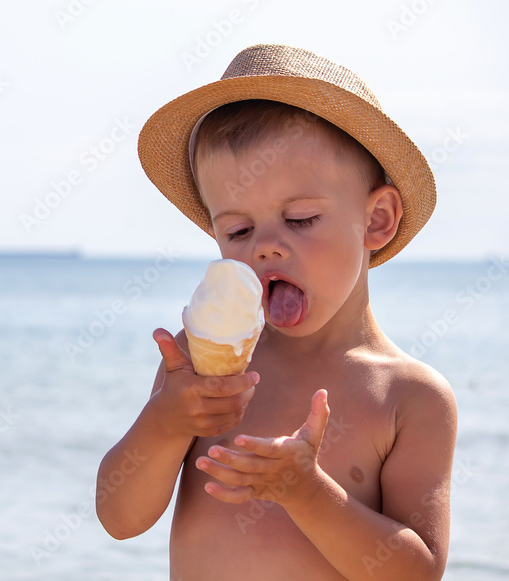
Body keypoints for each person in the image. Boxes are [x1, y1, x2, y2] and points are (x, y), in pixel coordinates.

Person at [96, 44, 457, 580]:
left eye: (301, 218)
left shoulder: (409, 396)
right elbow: (120, 519)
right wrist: (166, 421)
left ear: (376, 220)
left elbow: (416, 572)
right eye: (239, 230)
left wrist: (305, 492)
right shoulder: (200, 367)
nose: (265, 247)